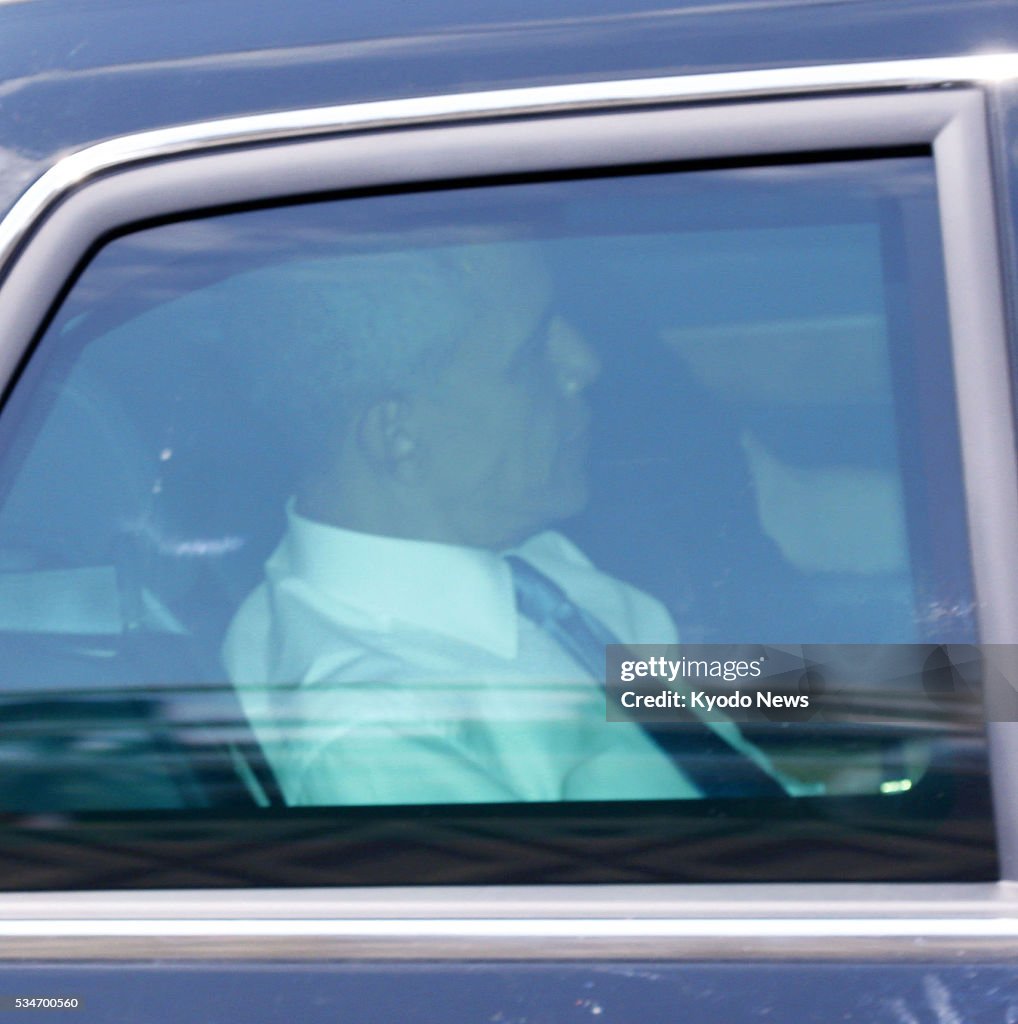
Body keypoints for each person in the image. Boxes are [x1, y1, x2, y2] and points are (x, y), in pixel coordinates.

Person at [222, 241, 790, 805]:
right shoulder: (388, 742)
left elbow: (691, 689)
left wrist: (861, 694)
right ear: (400, 437)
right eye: (530, 353)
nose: (584, 362)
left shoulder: (520, 564)